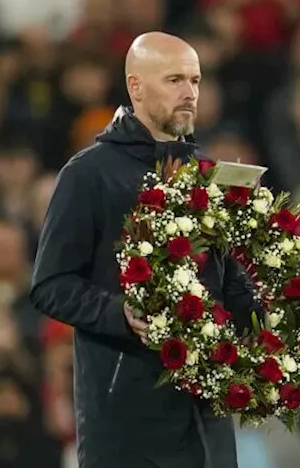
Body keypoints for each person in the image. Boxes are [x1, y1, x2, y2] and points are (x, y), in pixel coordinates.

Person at [29, 32, 258, 468]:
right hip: (126, 418)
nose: (189, 93)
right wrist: (120, 314)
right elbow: (49, 284)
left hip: (207, 414)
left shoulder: (208, 175)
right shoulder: (88, 174)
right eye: (174, 80)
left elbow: (226, 283)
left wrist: (273, 321)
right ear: (136, 87)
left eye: (195, 80)